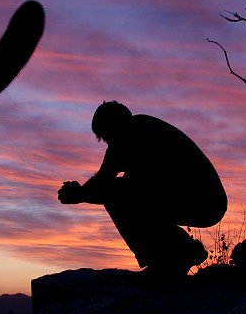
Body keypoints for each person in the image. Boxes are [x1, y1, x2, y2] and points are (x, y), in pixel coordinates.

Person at [58, 101, 227, 276]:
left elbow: (114, 189)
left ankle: (176, 255)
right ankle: (179, 252)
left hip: (204, 201)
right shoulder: (130, 134)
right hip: (196, 199)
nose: (107, 143)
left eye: (106, 136)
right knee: (125, 195)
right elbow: (103, 181)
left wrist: (80, 194)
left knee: (125, 196)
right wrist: (79, 193)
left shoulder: (144, 134)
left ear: (113, 128)